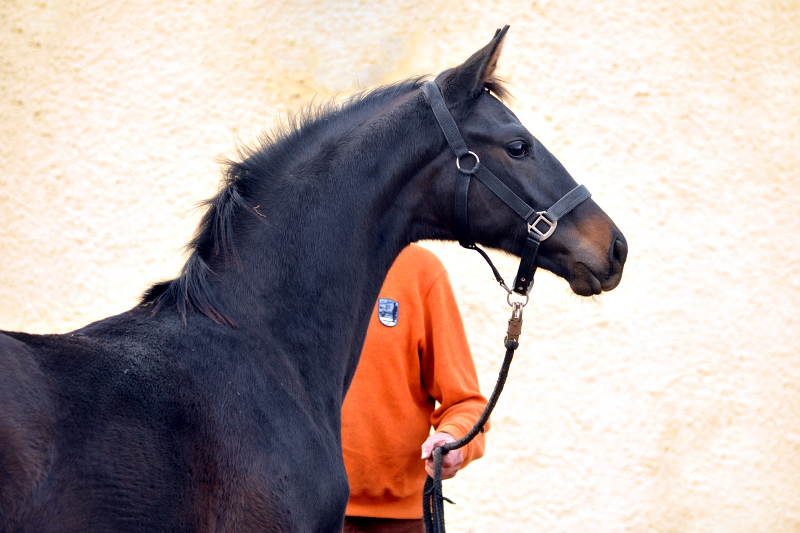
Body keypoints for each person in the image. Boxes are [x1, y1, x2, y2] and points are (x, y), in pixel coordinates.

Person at [341, 244, 489, 533]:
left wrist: (452, 439)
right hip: (288, 513)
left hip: (402, 522)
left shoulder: (419, 270)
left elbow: (466, 405)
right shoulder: (272, 256)